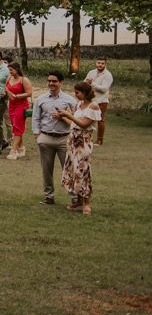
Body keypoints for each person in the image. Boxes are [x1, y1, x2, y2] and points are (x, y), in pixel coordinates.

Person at [31, 71, 78, 206]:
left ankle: (74, 197)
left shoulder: (69, 100)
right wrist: (37, 134)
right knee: (46, 169)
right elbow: (36, 117)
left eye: (54, 81)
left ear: (61, 83)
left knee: (68, 168)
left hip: (64, 138)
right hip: (46, 137)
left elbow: (77, 117)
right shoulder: (41, 99)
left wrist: (63, 116)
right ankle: (49, 196)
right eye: (49, 81)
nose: (51, 84)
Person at [58, 81, 100, 215]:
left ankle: (87, 202)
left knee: (83, 170)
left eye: (77, 93)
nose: (75, 95)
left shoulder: (93, 107)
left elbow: (83, 124)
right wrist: (64, 116)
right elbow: (73, 124)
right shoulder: (79, 105)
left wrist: (69, 114)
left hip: (84, 141)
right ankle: (79, 200)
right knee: (73, 170)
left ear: (85, 92)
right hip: (73, 140)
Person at [5, 63, 33, 159]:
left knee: (17, 127)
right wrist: (5, 92)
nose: (10, 72)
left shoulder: (24, 80)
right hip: (11, 105)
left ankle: (13, 150)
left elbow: (29, 93)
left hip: (21, 105)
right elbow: (6, 88)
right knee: (15, 126)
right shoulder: (9, 79)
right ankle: (21, 147)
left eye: (11, 70)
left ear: (16, 70)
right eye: (9, 70)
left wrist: (17, 96)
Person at [85, 57, 113, 145]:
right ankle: (87, 138)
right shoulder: (91, 72)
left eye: (102, 63)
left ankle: (99, 139)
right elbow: (85, 82)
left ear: (105, 65)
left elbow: (104, 89)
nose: (100, 65)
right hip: (91, 100)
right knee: (88, 119)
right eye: (98, 63)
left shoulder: (107, 75)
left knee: (100, 120)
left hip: (101, 100)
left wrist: (92, 83)